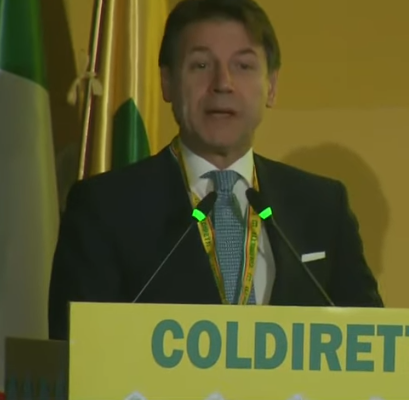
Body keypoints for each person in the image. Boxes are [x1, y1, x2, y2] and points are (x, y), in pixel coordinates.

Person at [47, 0, 384, 341]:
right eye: (201, 65)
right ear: (167, 82)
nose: (223, 83)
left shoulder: (323, 207)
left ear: (271, 86)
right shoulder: (105, 208)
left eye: (244, 66)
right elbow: (76, 349)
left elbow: (372, 341)